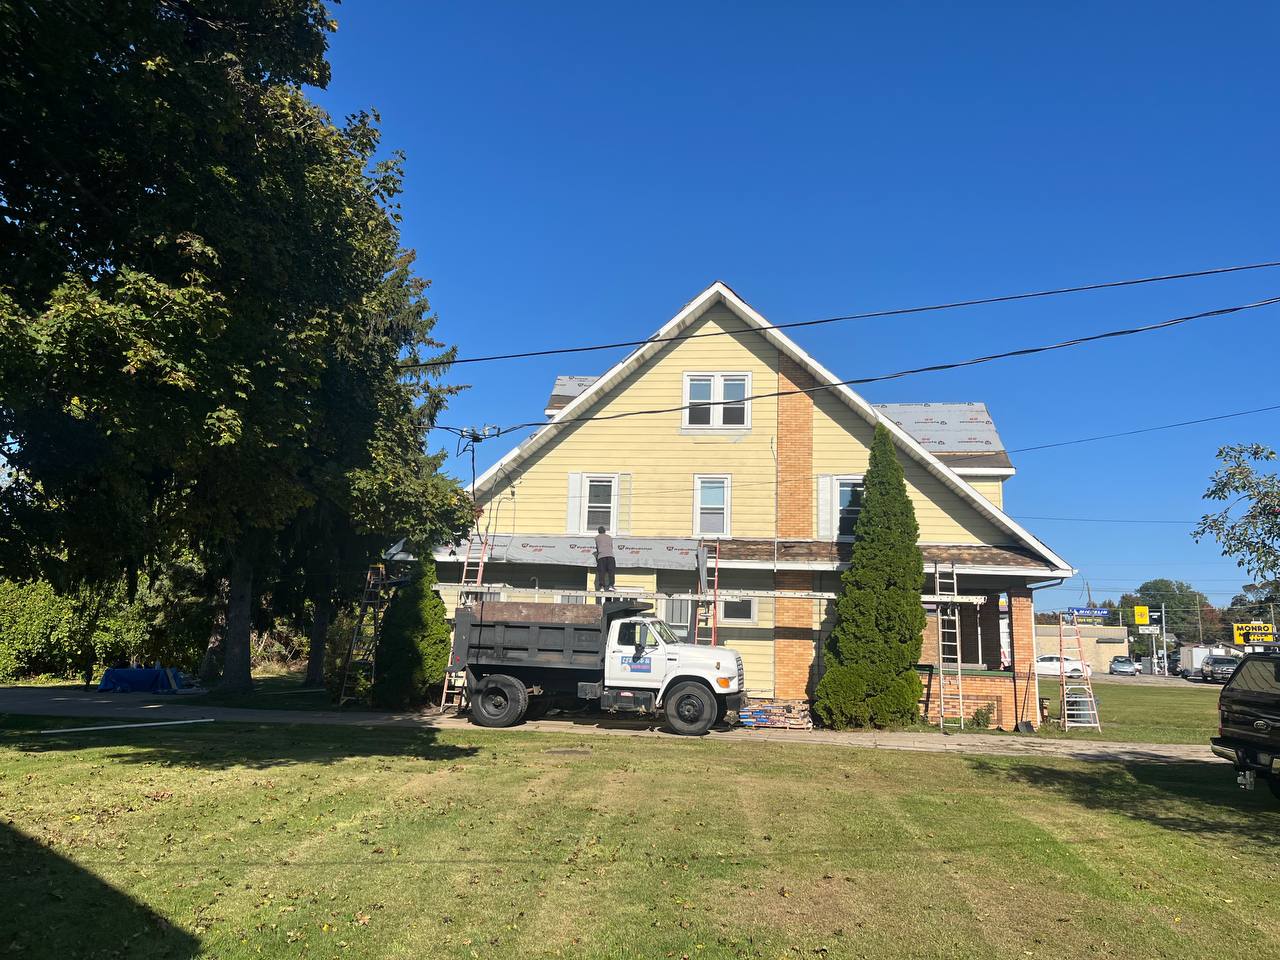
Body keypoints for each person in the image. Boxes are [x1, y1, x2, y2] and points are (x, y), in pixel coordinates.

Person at [594, 525, 615, 591]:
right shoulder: (610, 537)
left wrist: (597, 554)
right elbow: (611, 547)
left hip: (601, 556)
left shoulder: (597, 537)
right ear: (605, 531)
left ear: (598, 531)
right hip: (610, 556)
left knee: (602, 571)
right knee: (611, 571)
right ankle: (611, 585)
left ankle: (602, 586)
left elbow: (597, 547)